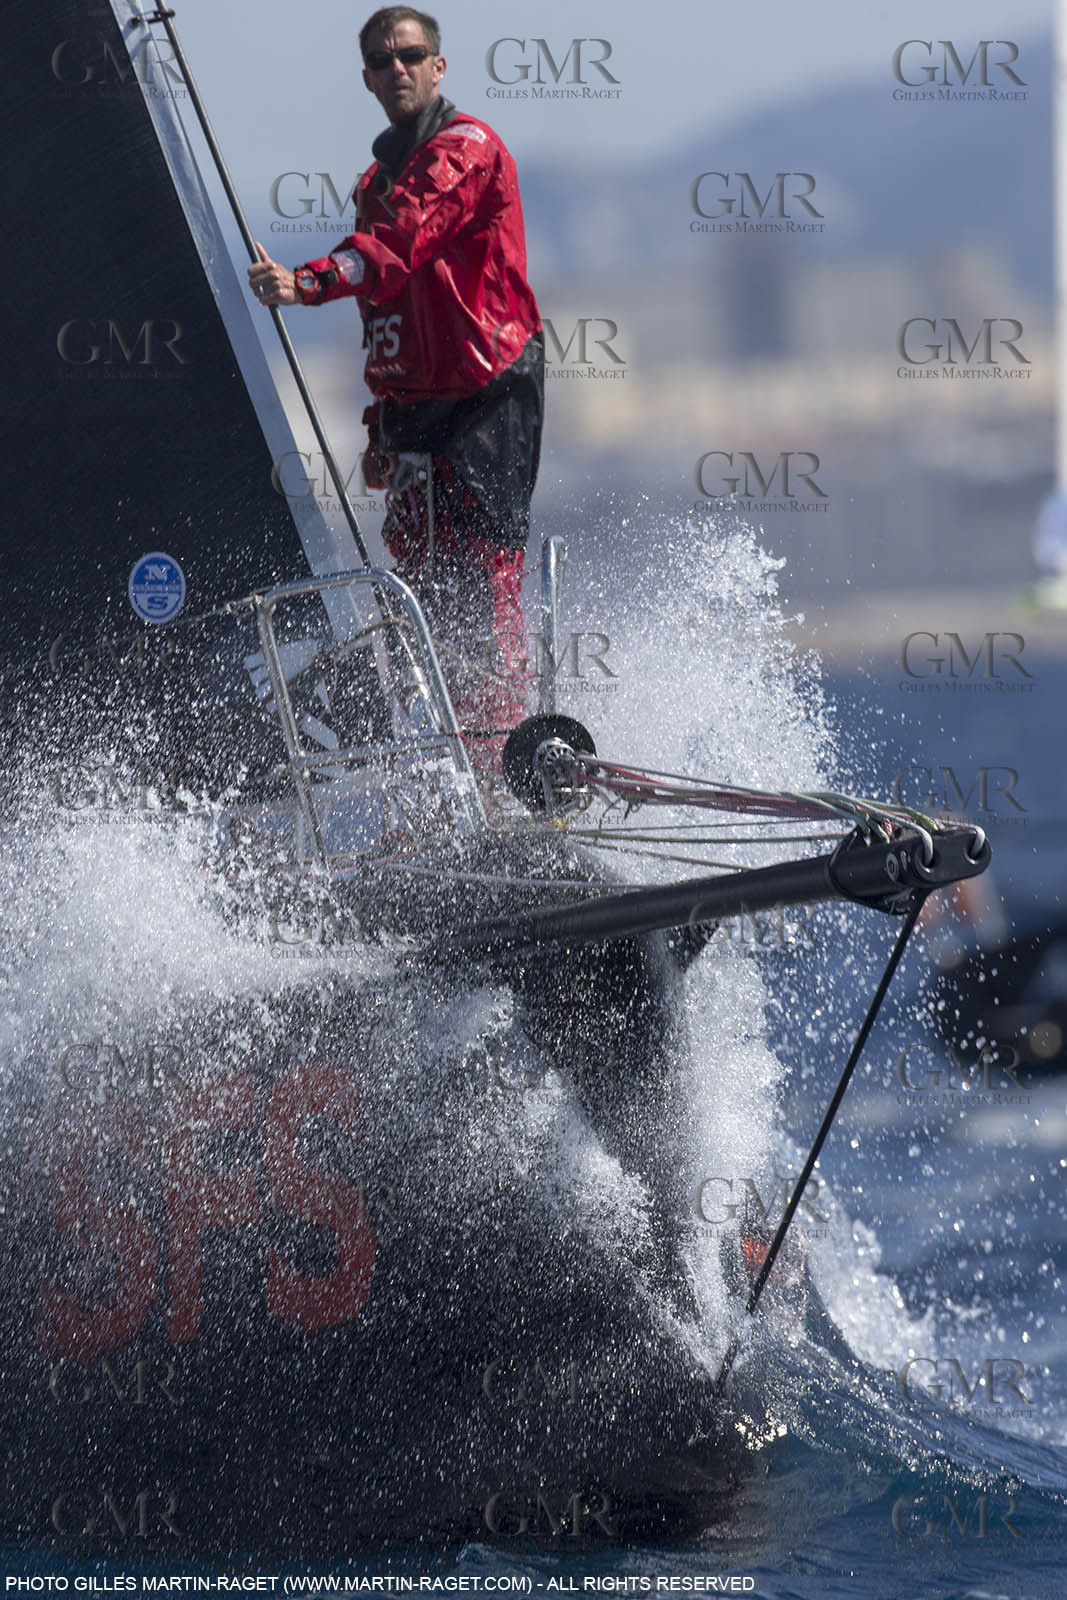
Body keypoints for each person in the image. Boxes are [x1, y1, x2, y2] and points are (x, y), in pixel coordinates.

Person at [249, 6, 544, 776]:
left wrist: (304, 282)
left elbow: (401, 244)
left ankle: (506, 768)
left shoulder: (468, 149)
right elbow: (386, 309)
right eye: (381, 61)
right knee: (417, 583)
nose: (397, 69)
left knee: (482, 576)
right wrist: (380, 424)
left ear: (438, 66)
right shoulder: (373, 182)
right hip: (414, 414)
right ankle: (451, 775)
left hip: (486, 393)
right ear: (367, 78)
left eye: (411, 55)